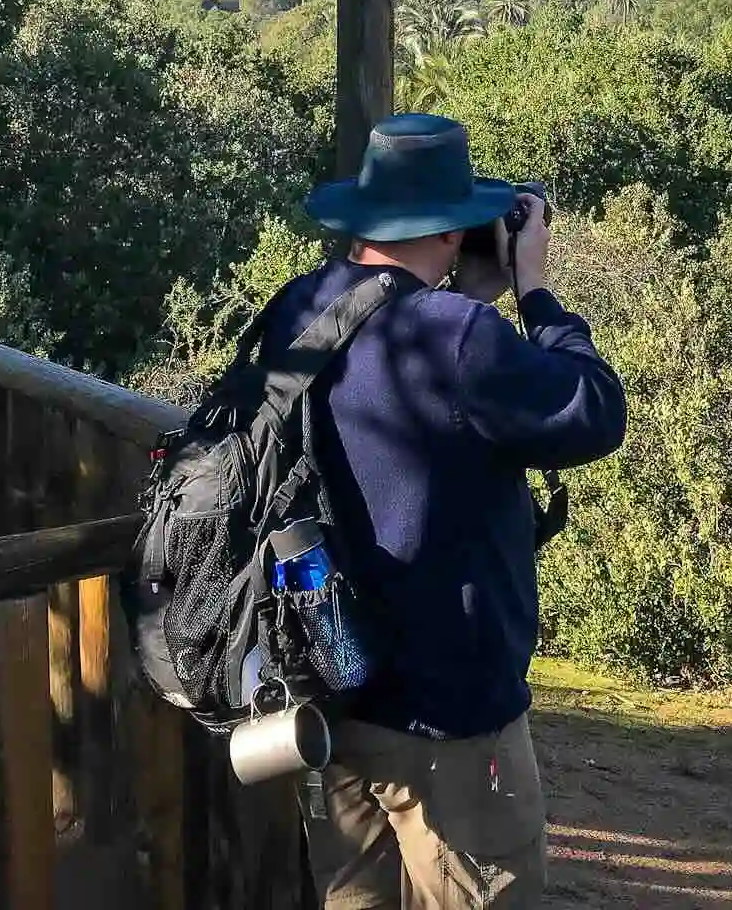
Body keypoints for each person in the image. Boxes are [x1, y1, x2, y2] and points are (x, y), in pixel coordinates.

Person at [261, 112, 628, 909]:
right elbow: (595, 412)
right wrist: (535, 290)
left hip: (329, 685)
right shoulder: (460, 339)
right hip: (449, 722)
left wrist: (466, 294)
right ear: (455, 230)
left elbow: (396, 352)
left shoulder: (298, 310)